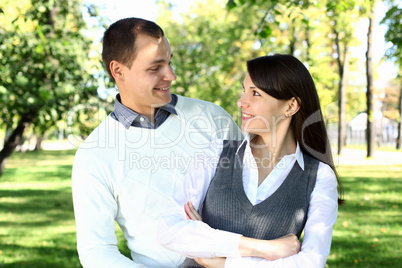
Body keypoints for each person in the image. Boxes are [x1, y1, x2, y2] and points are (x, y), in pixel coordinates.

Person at [71, 17, 244, 268]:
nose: (171, 76)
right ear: (118, 71)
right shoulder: (94, 154)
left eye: (170, 62)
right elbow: (96, 251)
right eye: (155, 68)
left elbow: (261, 192)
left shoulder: (212, 118)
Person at [158, 54, 344, 267]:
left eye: (255, 93)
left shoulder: (319, 175)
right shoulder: (215, 152)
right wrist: (264, 249)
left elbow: (310, 262)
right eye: (244, 90)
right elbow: (169, 229)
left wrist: (219, 260)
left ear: (291, 106)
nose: (241, 102)